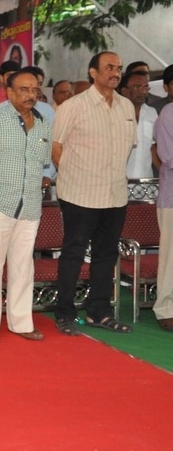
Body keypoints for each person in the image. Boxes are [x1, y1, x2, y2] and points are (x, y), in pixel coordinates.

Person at [52, 51, 136, 336]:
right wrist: (75, 177)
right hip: (79, 193)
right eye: (109, 67)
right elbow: (56, 147)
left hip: (114, 194)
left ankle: (99, 311)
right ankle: (64, 312)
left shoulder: (126, 107)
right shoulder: (73, 106)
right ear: (92, 72)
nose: (116, 72)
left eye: (119, 68)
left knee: (106, 254)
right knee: (73, 253)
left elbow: (125, 149)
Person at [0, 70, 51, 344]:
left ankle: (21, 322)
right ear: (9, 92)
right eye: (24, 89)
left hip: (29, 205)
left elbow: (41, 164)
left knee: (23, 266)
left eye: (34, 90)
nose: (31, 94)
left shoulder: (42, 125)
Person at [153, 104, 173, 331]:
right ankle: (166, 309)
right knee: (171, 259)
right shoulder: (169, 114)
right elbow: (168, 157)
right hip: (172, 201)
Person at [119, 71, 157, 179]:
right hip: (120, 181)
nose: (143, 91)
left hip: (146, 180)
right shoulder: (115, 113)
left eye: (146, 87)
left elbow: (153, 148)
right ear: (124, 91)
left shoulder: (151, 113)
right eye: (138, 87)